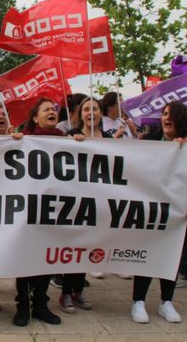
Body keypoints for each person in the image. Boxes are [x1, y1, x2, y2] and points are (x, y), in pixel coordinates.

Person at [132, 101, 187, 324]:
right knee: (146, 255)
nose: (167, 118)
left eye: (172, 115)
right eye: (164, 114)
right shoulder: (149, 142)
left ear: (182, 120)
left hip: (179, 216)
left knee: (172, 257)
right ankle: (138, 301)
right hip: (150, 212)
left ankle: (166, 301)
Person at [60, 96, 122, 306]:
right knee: (73, 247)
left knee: (88, 247)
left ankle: (78, 290)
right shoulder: (71, 135)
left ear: (100, 113)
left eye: (95, 109)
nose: (91, 113)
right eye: (87, 109)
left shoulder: (107, 138)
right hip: (74, 201)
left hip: (99, 202)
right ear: (81, 114)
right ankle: (66, 292)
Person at [11, 98, 64, 327]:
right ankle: (23, 304)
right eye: (46, 109)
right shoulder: (24, 139)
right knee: (25, 256)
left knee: (46, 256)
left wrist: (80, 142)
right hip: (26, 207)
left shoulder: (66, 140)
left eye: (53, 109)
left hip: (53, 207)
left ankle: (40, 304)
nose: (52, 111)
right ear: (35, 117)